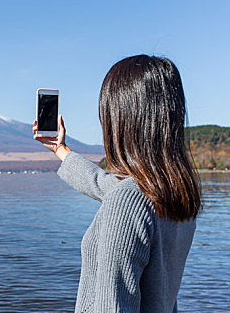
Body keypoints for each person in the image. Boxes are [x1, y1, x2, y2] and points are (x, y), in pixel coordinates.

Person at [33, 55, 201, 313]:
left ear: (122, 117)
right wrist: (61, 149)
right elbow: (103, 184)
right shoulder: (178, 197)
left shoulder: (129, 200)